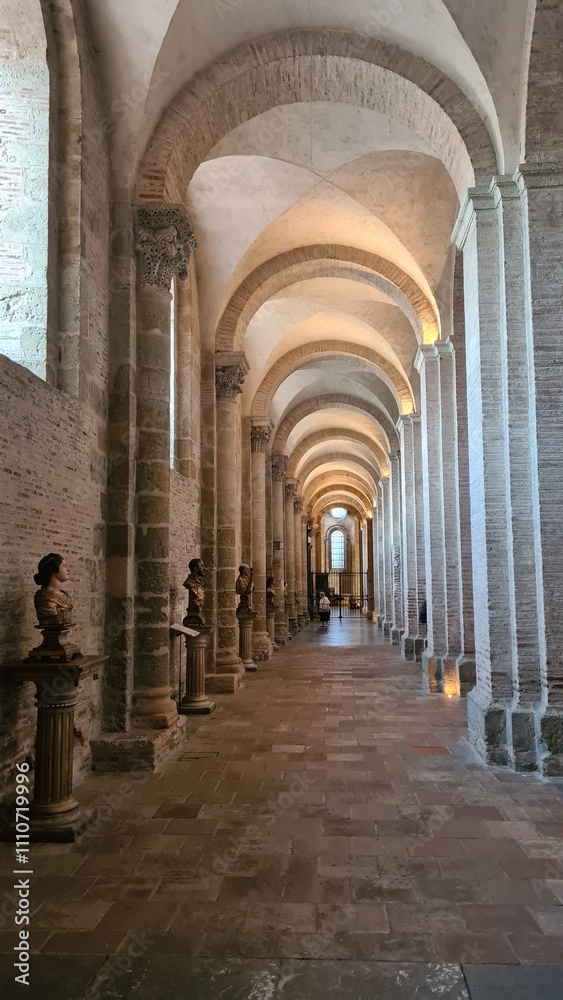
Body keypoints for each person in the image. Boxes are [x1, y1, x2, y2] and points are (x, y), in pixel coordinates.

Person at [33, 553, 74, 626]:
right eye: (64, 566)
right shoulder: (44, 597)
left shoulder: (65, 595)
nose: (68, 570)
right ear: (53, 571)